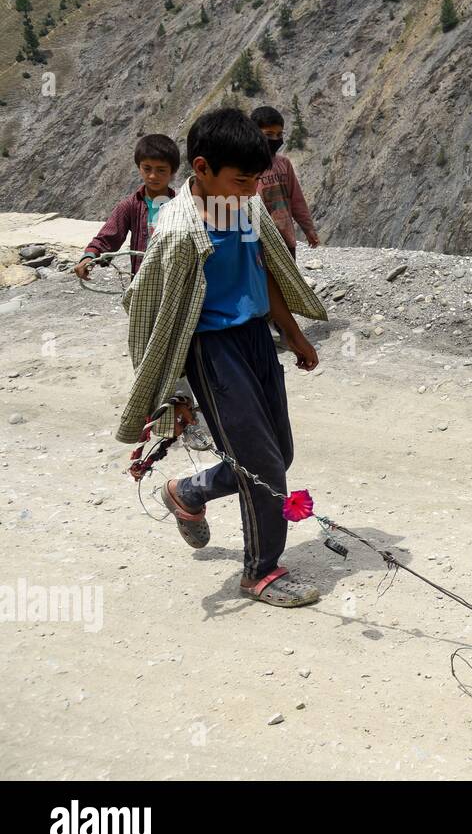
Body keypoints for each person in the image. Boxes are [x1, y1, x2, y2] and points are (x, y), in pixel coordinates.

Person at [115, 108, 328, 607]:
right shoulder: (178, 231)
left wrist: (293, 335)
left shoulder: (244, 209)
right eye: (242, 179)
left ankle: (188, 493)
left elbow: (268, 271)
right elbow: (157, 316)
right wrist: (174, 393)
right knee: (264, 467)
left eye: (257, 179)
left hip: (256, 339)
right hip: (213, 351)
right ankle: (261, 572)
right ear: (203, 169)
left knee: (279, 456)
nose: (253, 189)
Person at [74, 134, 179, 279]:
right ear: (139, 167)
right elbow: (108, 237)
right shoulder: (131, 206)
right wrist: (89, 257)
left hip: (176, 280)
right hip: (142, 280)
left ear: (172, 171)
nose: (153, 176)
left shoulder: (182, 205)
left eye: (161, 170)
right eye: (147, 168)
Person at [250, 105, 320, 255]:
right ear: (254, 133)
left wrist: (308, 229)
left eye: (279, 134)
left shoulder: (284, 164)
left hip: (286, 239)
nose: (275, 139)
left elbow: (297, 201)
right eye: (269, 134)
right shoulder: (247, 168)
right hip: (258, 242)